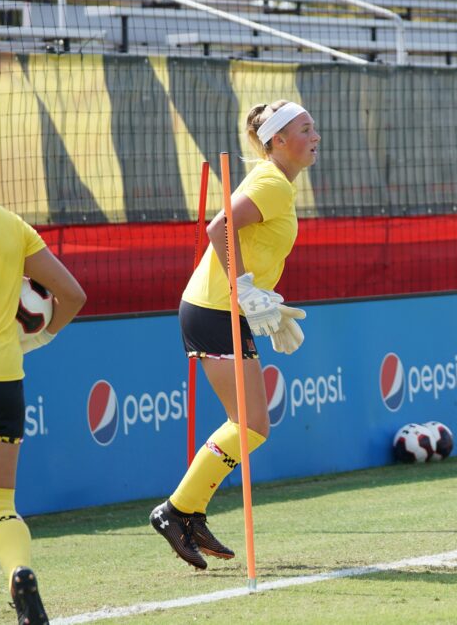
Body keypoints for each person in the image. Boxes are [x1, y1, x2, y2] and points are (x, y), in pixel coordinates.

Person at [150, 100, 318, 570]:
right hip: (213, 307)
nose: (316, 136)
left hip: (223, 308)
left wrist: (264, 298)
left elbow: (245, 241)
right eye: (306, 129)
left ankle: (186, 510)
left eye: (314, 128)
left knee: (251, 424)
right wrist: (243, 287)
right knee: (249, 424)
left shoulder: (276, 183)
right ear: (277, 141)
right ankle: (177, 511)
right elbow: (219, 226)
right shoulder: (270, 182)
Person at [0, 197, 87, 624]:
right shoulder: (10, 225)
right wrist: (38, 339)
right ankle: (18, 572)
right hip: (2, 378)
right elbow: (72, 296)